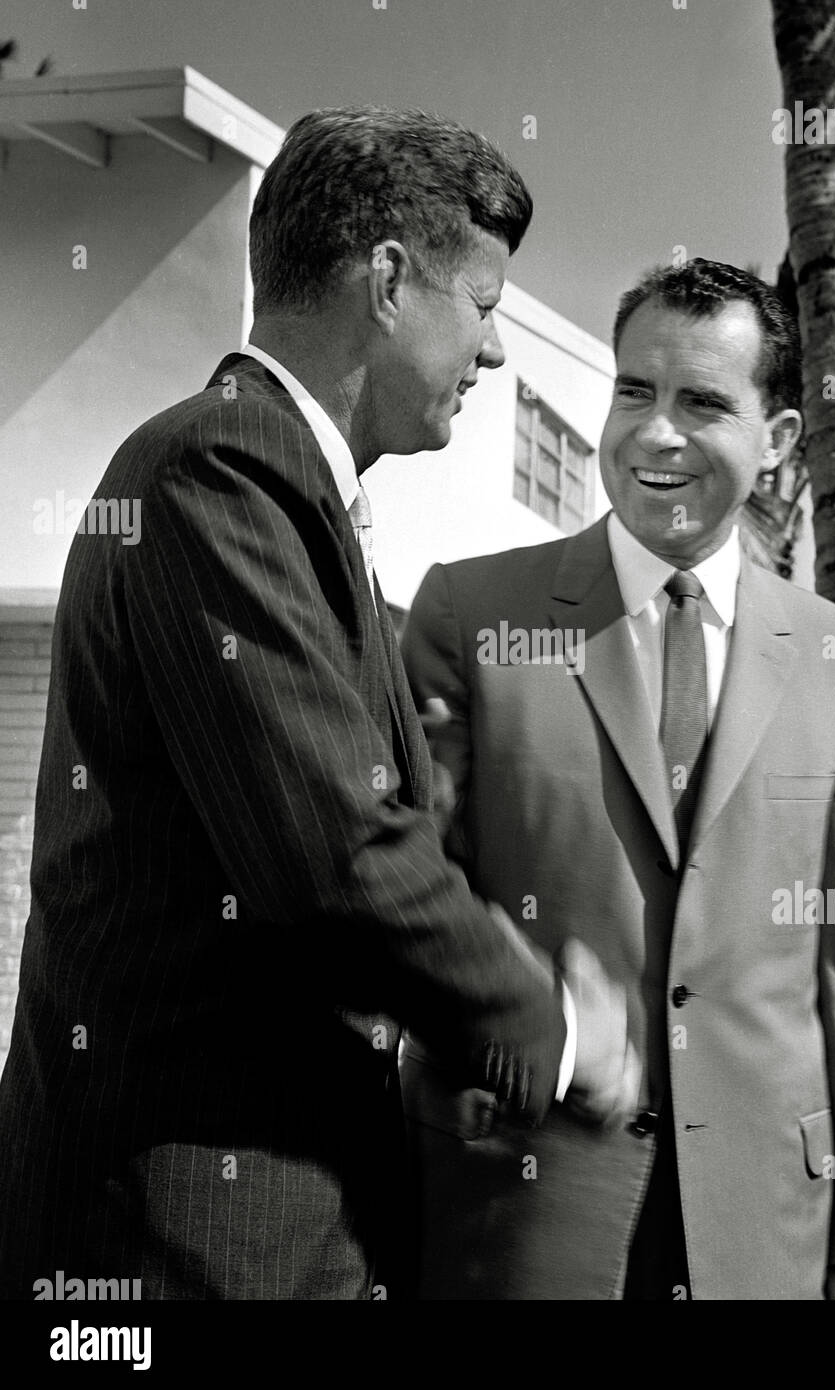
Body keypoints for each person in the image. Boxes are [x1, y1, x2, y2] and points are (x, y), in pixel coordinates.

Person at [0, 107, 635, 1301]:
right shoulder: (218, 471)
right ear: (388, 279)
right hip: (176, 1245)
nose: (495, 354)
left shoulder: (291, 497)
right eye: (486, 306)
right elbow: (336, 853)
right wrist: (548, 1023)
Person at [400, 259, 835, 1300]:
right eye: (636, 390)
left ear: (778, 440)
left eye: (703, 402)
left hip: (768, 1223)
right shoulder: (466, 613)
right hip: (523, 1198)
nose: (656, 433)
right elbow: (411, 902)